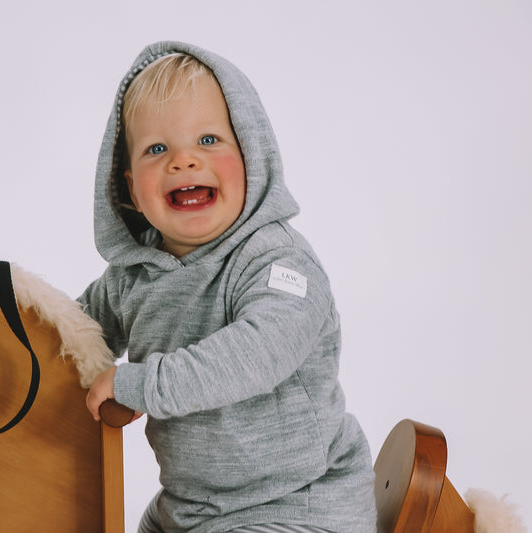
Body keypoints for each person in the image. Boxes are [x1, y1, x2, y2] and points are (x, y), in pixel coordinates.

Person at [80, 41, 376, 533]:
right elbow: (70, 336)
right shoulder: (133, 275)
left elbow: (256, 353)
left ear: (252, 156)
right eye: (158, 149)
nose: (184, 161)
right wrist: (7, 324)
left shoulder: (278, 262)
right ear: (131, 187)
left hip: (299, 504)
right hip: (191, 509)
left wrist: (141, 384)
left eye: (210, 140)